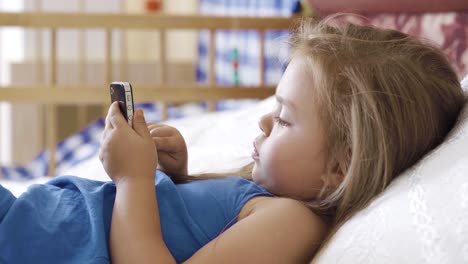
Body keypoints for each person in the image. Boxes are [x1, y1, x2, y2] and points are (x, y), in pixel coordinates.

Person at [0, 16, 465, 263]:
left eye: (283, 119)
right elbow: (193, 226)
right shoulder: (270, 200)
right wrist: (176, 176)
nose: (263, 124)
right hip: (32, 220)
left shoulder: (293, 223)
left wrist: (133, 181)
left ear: (339, 168)